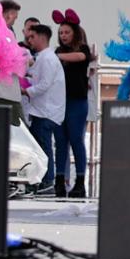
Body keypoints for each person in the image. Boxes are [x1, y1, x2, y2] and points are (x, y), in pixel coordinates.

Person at [52, 11, 94, 198]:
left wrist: (57, 57)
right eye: (61, 33)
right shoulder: (57, 52)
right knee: (60, 142)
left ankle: (80, 182)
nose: (63, 36)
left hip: (77, 102)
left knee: (76, 139)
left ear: (75, 33)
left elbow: (80, 58)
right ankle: (59, 181)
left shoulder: (83, 49)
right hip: (60, 102)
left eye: (66, 32)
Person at [24, 25, 64, 196]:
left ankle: (47, 182)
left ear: (42, 37)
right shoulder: (43, 58)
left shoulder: (47, 59)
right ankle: (42, 181)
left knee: (43, 148)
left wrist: (26, 90)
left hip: (46, 112)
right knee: (39, 147)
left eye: (32, 37)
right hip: (42, 110)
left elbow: (44, 84)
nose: (29, 40)